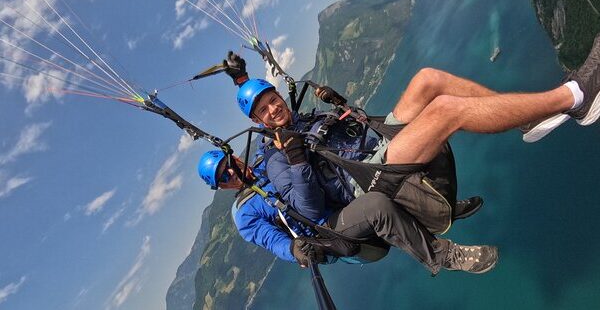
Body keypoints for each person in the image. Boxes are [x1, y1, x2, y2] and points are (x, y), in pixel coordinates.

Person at [225, 33, 600, 273]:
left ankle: (526, 120)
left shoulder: (300, 120)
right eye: (264, 110)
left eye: (272, 99)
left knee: (428, 80)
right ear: (258, 121)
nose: (273, 108)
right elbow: (308, 210)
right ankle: (573, 98)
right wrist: (296, 160)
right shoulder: (277, 158)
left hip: (374, 147)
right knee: (447, 111)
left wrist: (336, 104)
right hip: (366, 178)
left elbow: (348, 130)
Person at [197, 147, 495, 273]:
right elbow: (272, 240)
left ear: (235, 156)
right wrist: (294, 250)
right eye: (223, 177)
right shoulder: (245, 213)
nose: (231, 173)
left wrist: (241, 80)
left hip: (342, 201)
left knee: (386, 172)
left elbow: (272, 125)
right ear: (221, 187)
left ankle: (439, 210)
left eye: (229, 164)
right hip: (329, 231)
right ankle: (443, 256)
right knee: (376, 205)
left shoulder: (267, 161)